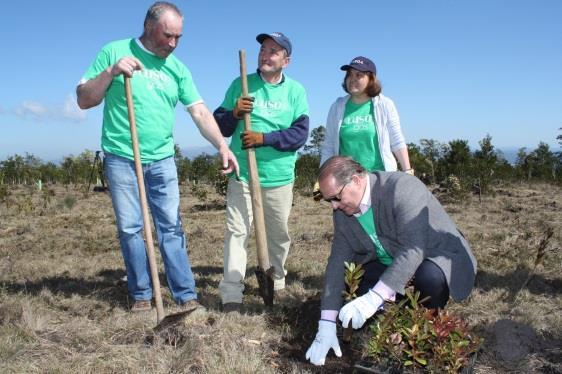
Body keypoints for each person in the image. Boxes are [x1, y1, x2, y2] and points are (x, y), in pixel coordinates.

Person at [76, 1, 238, 312]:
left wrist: (221, 144)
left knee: (171, 228)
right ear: (149, 27)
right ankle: (141, 294)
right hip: (122, 156)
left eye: (179, 37)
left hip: (162, 159)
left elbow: (199, 111)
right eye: (168, 36)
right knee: (131, 228)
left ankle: (185, 294)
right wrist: (111, 73)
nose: (173, 44)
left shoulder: (177, 69)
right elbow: (84, 99)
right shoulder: (114, 51)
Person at [306, 156, 477, 366]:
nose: (333, 206)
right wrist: (326, 323)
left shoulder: (402, 188)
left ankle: (429, 323)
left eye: (336, 197)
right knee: (353, 279)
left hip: (433, 254)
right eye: (328, 200)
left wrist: (374, 297)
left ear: (356, 181)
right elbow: (337, 263)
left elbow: (414, 249)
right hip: (389, 259)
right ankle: (392, 314)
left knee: (430, 279)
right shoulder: (343, 210)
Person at [213, 32, 309, 312]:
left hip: (279, 177)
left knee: (278, 234)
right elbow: (219, 126)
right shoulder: (241, 85)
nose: (266, 55)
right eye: (264, 49)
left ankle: (276, 282)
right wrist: (233, 113)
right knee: (237, 233)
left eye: (274, 51)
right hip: (243, 174)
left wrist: (263, 139)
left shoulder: (296, 92)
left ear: (286, 61)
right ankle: (231, 293)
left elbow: (299, 135)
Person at [320, 56, 412, 174]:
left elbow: (397, 141)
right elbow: (329, 146)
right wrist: (322, 176)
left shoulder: (384, 104)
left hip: (381, 178)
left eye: (358, 75)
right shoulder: (337, 107)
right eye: (349, 74)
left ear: (371, 79)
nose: (352, 79)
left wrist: (408, 171)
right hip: (348, 179)